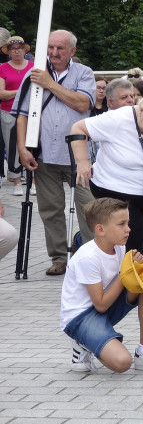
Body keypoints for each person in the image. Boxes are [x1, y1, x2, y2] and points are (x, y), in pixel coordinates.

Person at [61, 197, 143, 373]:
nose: (128, 229)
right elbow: (101, 305)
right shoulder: (88, 257)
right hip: (80, 317)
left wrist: (136, 268)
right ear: (100, 229)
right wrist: (126, 273)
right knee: (122, 363)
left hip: (102, 306)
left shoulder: (118, 246)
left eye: (128, 223)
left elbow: (119, 285)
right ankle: (83, 342)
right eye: (121, 224)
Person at [14, 30, 96, 275]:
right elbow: (22, 115)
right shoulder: (33, 75)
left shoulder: (84, 73)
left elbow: (83, 103)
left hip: (79, 156)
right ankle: (59, 258)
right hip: (44, 154)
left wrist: (50, 84)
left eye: (60, 48)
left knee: (90, 208)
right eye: (50, 47)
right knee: (50, 209)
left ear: (72, 51)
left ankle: (92, 256)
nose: (54, 53)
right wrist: (21, 148)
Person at [69, 89, 143, 255]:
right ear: (140, 110)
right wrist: (82, 162)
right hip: (111, 186)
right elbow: (78, 129)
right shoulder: (118, 118)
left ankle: (128, 268)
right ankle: (123, 274)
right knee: (135, 235)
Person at [0, 34, 31, 194]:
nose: (17, 51)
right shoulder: (2, 68)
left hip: (30, 112)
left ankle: (31, 181)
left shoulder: (33, 66)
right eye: (13, 49)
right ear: (8, 52)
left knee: (32, 144)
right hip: (9, 111)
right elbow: (2, 93)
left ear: (24, 50)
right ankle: (16, 181)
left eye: (20, 48)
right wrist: (22, 92)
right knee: (12, 146)